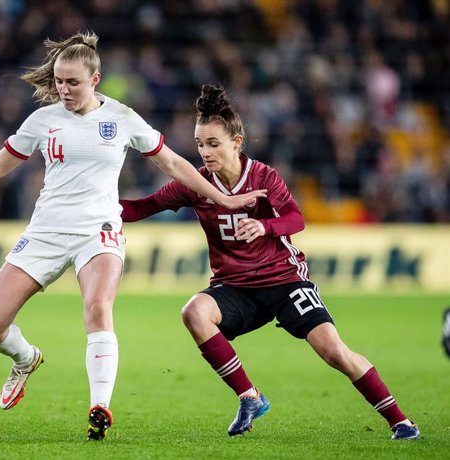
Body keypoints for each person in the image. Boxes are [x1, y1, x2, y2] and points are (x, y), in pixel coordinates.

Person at [0, 32, 265, 440]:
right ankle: (26, 359)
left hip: (99, 231)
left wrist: (223, 197)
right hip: (46, 231)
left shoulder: (122, 117)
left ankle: (99, 406)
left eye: (73, 82)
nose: (64, 89)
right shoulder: (43, 121)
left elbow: (172, 163)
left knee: (98, 308)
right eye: (60, 81)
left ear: (95, 79)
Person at [120, 83, 421, 441]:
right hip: (236, 287)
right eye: (200, 144)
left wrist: (263, 226)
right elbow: (139, 209)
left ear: (237, 142)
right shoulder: (195, 183)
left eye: (213, 143)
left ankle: (401, 421)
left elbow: (296, 219)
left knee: (332, 350)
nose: (205, 152)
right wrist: (90, 203)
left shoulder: (264, 177)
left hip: (284, 281)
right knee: (194, 312)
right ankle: (250, 397)